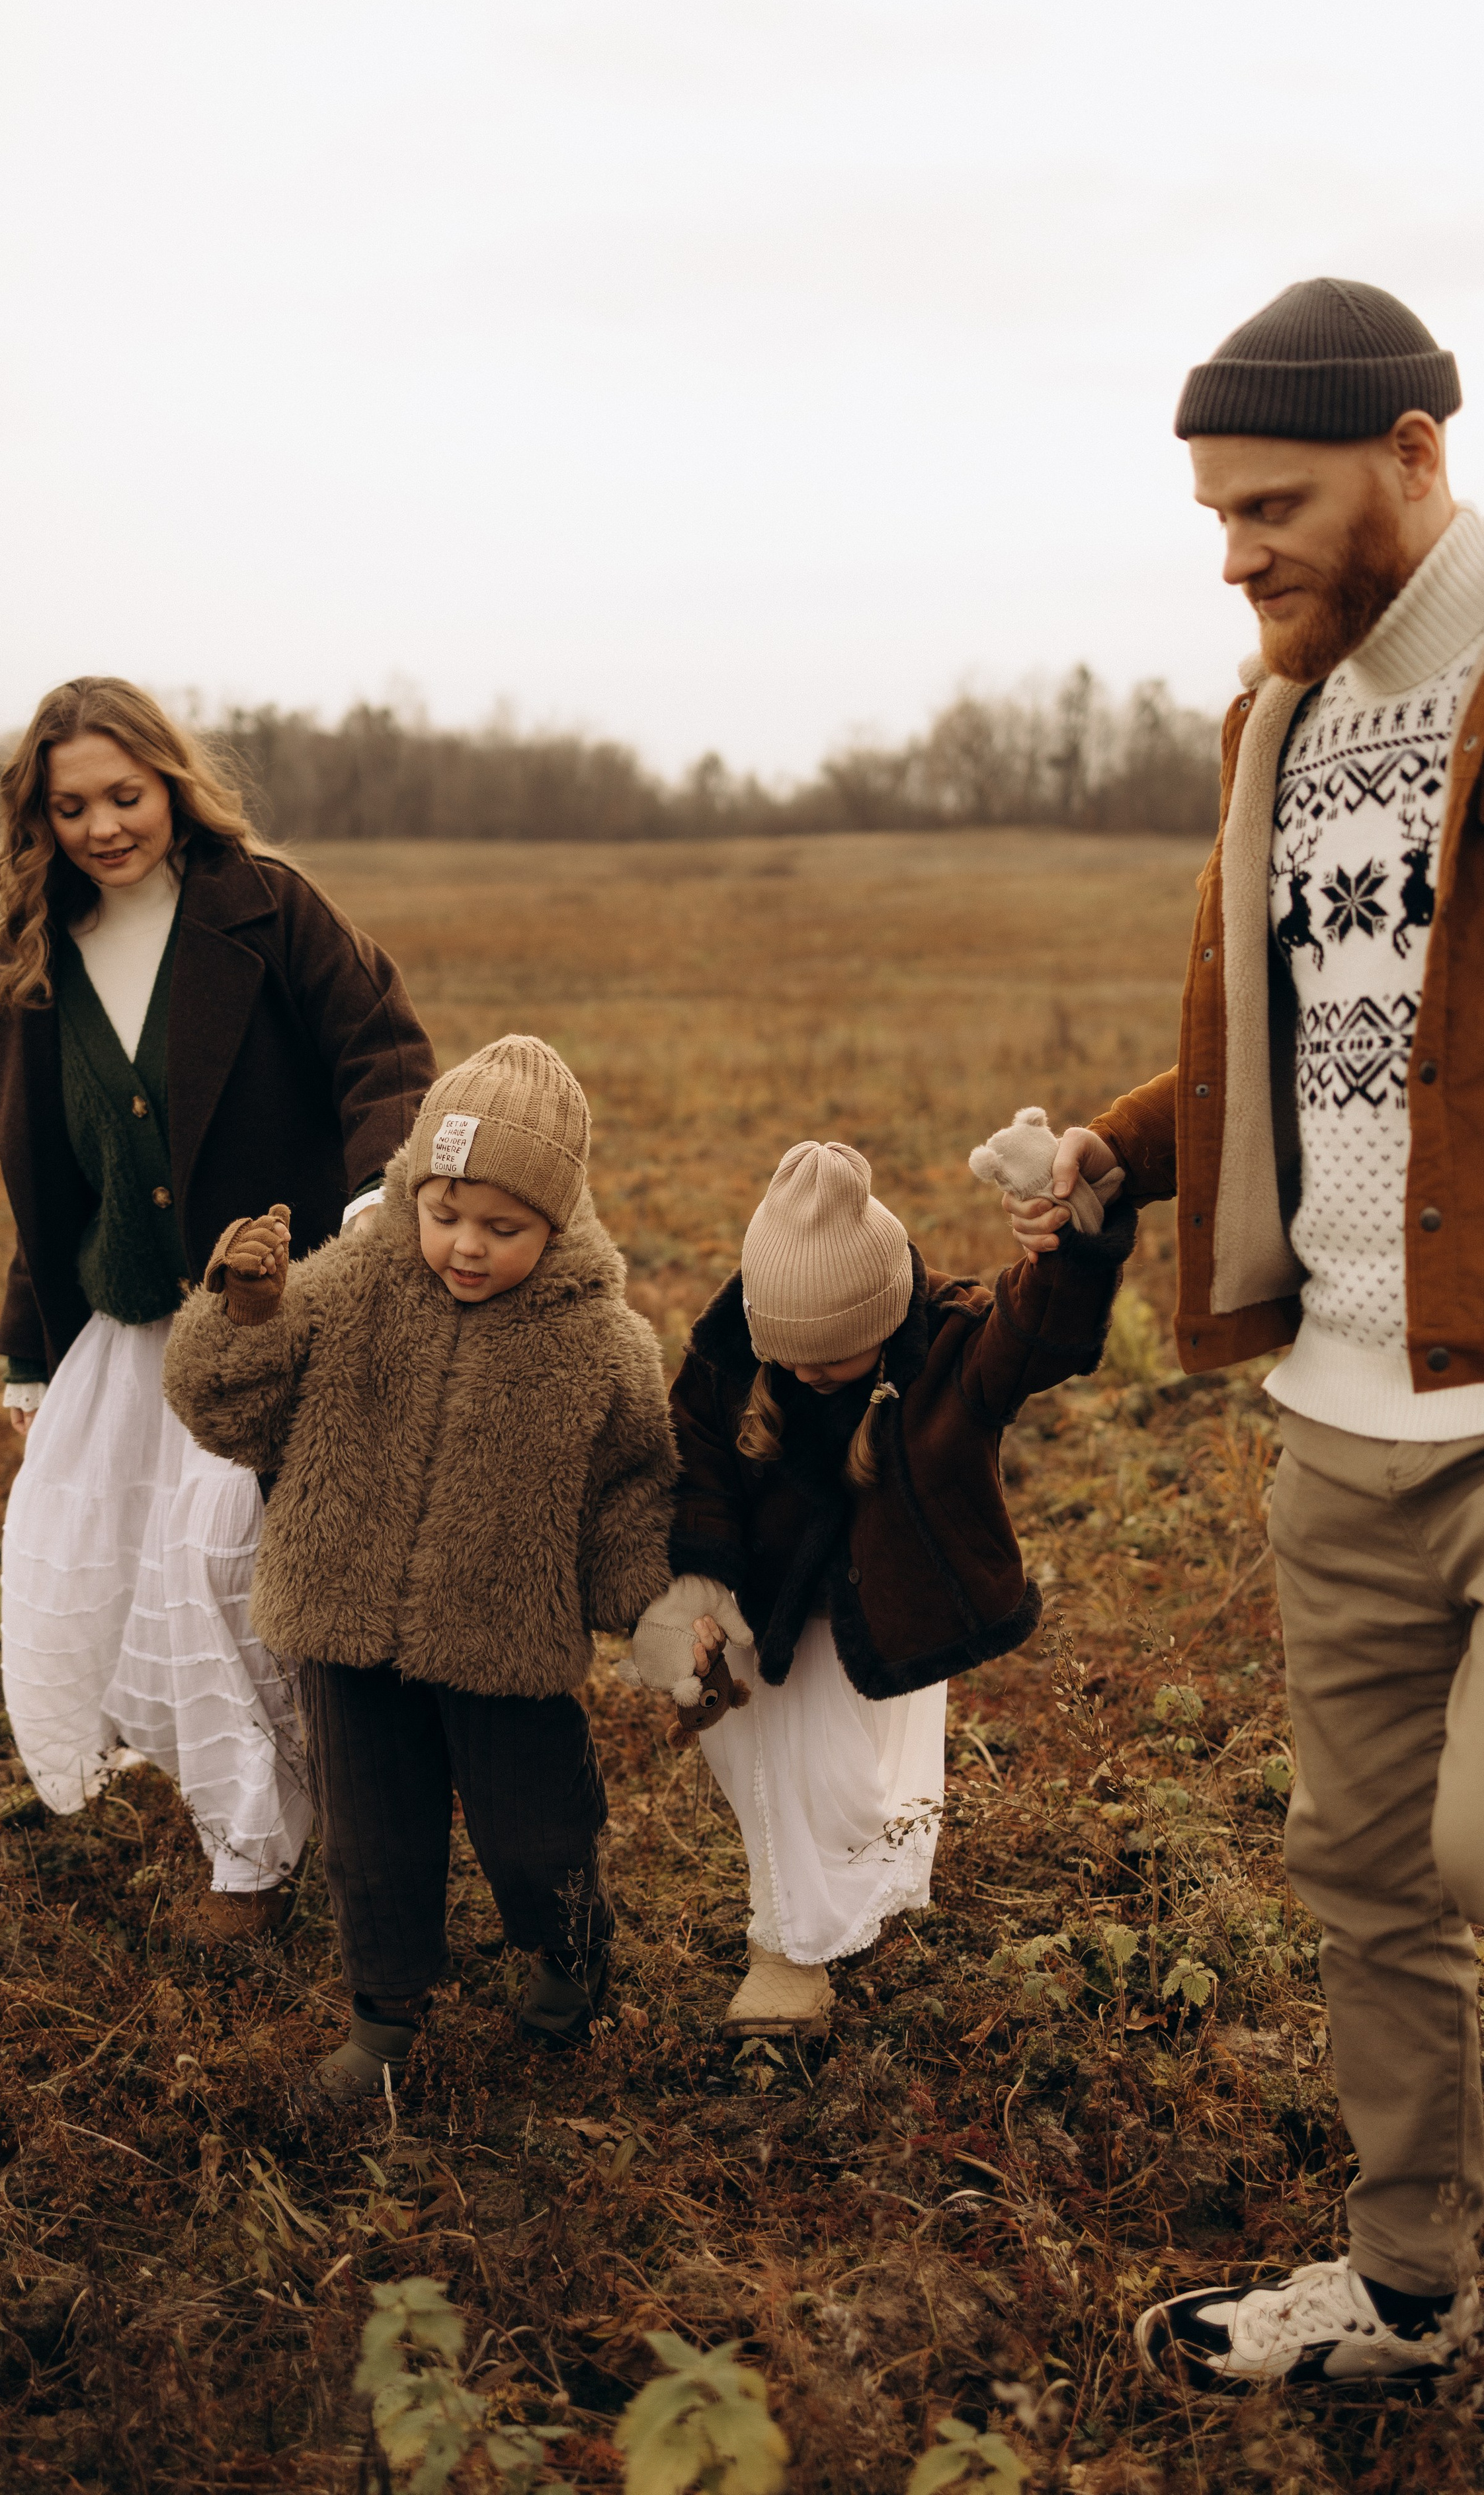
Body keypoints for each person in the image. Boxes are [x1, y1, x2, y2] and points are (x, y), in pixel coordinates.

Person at [1005, 281, 1484, 2392]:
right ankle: (1413, 2289)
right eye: (1214, 516)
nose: (1235, 557)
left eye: (1271, 506)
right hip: (1343, 1407)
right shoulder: (1276, 726)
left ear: (1413, 452)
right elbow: (1299, 1039)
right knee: (1367, 1871)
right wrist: (1127, 1151)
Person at [0, 676, 434, 1941]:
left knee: (224, 1564)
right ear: (38, 819)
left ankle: (286, 1849)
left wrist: (378, 1204)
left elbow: (384, 1053)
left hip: (268, 1320)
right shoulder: (33, 964)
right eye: (72, 808)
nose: (103, 827)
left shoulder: (268, 910)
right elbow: (49, 1182)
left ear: (172, 784)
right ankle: (248, 1836)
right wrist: (28, 1354)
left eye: (125, 795)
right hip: (126, 1333)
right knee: (119, 1568)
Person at [161, 1034, 677, 2097]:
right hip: (343, 1620)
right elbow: (231, 1414)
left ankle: (567, 1960)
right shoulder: (345, 1288)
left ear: (559, 1220)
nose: (467, 1247)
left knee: (538, 1827)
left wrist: (655, 1612)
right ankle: (384, 2018)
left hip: (504, 1641)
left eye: (503, 1227)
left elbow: (631, 1493)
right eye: (445, 1215)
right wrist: (245, 1316)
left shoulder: (602, 1346)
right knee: (372, 1838)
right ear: (411, 1191)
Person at [628, 1138, 1135, 2037]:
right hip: (771, 1604)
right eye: (790, 1357)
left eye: (836, 1354)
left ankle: (854, 1890)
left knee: (865, 1784)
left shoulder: (952, 1343)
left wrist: (1070, 1245)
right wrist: (694, 1582)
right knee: (778, 1766)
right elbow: (696, 1465)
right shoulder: (727, 1360)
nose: (811, 1374)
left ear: (886, 1312)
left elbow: (1038, 1336)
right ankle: (790, 1948)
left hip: (894, 1596)